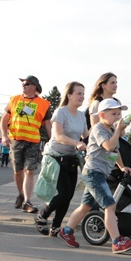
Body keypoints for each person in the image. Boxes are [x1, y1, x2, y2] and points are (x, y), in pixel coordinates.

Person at [58, 98, 131, 254]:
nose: (117, 117)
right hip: (94, 173)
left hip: (97, 173)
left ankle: (66, 231)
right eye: (114, 113)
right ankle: (117, 241)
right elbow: (109, 145)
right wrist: (117, 131)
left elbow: (115, 150)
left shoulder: (110, 130)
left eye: (119, 114)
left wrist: (122, 167)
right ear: (102, 114)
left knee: (86, 206)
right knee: (110, 205)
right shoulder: (98, 129)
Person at [35, 82, 89, 237]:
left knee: (69, 195)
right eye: (79, 93)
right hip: (55, 157)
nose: (82, 96)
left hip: (71, 158)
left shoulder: (81, 115)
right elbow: (58, 136)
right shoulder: (60, 112)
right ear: (69, 95)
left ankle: (56, 227)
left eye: (83, 93)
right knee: (64, 194)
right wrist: (76, 143)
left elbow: (86, 135)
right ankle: (42, 215)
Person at [0, 75, 52, 213]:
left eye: (27, 83)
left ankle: (27, 201)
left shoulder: (43, 104)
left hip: (33, 141)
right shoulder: (14, 100)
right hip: (15, 140)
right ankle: (21, 194)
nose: (24, 85)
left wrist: (52, 141)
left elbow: (48, 125)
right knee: (18, 172)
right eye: (23, 83)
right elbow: (4, 120)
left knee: (29, 171)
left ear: (35, 87)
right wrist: (4, 135)